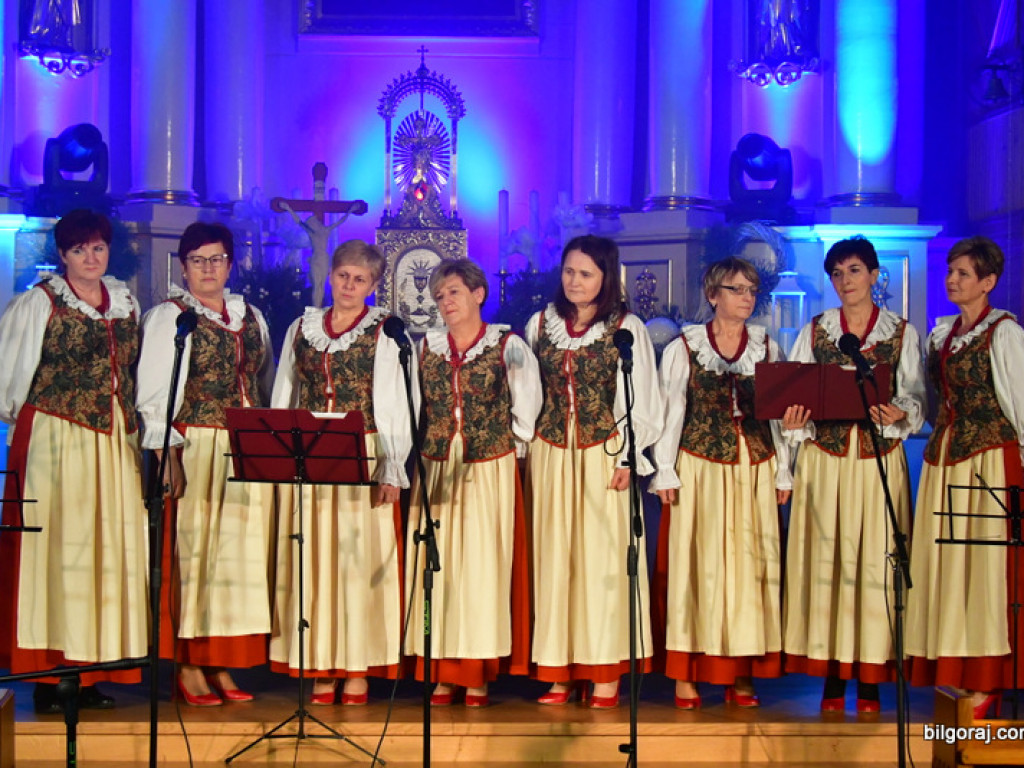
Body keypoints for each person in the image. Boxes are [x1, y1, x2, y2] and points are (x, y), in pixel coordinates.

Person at [0, 209, 148, 714]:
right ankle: (50, 673)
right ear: (62, 255)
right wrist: (37, 422)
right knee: (58, 551)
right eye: (80, 249)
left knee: (103, 550)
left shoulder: (126, 303)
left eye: (99, 247)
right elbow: (9, 378)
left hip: (111, 440)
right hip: (55, 438)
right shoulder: (38, 304)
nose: (91, 257)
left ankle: (89, 668)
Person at [782, 236, 925, 713]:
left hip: (876, 461)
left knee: (873, 563)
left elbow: (916, 397)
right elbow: (795, 389)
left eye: (855, 270)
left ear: (875, 274)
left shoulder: (901, 332)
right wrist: (795, 418)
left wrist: (898, 413)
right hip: (825, 459)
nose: (846, 281)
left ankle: (869, 675)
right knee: (825, 563)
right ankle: (831, 672)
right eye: (838, 274)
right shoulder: (816, 329)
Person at [136, 222, 275, 706]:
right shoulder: (170, 318)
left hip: (243, 447)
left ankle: (220, 663)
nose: (209, 268)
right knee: (194, 557)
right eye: (198, 260)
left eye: (217, 259)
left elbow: (264, 378)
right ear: (183, 266)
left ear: (230, 264)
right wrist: (166, 454)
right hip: (194, 443)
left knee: (233, 558)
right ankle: (189, 664)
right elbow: (155, 395)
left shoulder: (250, 316)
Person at [270, 239, 411, 705]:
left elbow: (393, 403)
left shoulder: (384, 331)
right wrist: (278, 451)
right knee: (315, 559)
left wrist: (391, 466)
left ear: (373, 286)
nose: (349, 285)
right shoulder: (302, 326)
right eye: (343, 275)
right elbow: (284, 390)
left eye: (360, 280)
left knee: (357, 560)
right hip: (309, 451)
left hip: (362, 451)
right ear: (331, 276)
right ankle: (320, 661)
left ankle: (357, 665)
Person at [527, 235, 663, 708]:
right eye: (569, 272)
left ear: (606, 278)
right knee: (556, 558)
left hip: (603, 453)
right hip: (550, 454)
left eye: (585, 274)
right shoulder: (541, 323)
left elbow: (642, 397)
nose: (575, 281)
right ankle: (560, 668)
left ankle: (604, 671)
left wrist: (628, 454)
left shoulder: (626, 328)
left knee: (602, 561)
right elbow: (528, 391)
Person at [650, 258, 791, 709]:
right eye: (736, 289)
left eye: (751, 290)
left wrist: (784, 470)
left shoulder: (768, 347)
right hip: (700, 465)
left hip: (753, 466)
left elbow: (780, 418)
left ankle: (741, 671)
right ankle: (688, 672)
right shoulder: (684, 347)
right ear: (713, 295)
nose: (746, 298)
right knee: (699, 566)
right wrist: (665, 469)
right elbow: (671, 413)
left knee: (750, 570)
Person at [405, 259, 540, 707]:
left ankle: (477, 671)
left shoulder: (508, 344)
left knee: (481, 570)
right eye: (440, 296)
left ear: (479, 294)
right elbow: (414, 406)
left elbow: (527, 410)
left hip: (487, 466)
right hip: (439, 465)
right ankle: (443, 669)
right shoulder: (427, 347)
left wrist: (508, 450)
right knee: (438, 568)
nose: (446, 303)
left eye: (454, 293)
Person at [906, 236, 1024, 718]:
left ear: (988, 282)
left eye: (964, 275)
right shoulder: (942, 335)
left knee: (984, 573)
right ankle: (956, 672)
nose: (952, 280)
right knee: (948, 568)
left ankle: (986, 677)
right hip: (945, 456)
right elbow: (934, 403)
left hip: (990, 458)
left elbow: (1019, 402)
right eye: (950, 273)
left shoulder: (1005, 333)